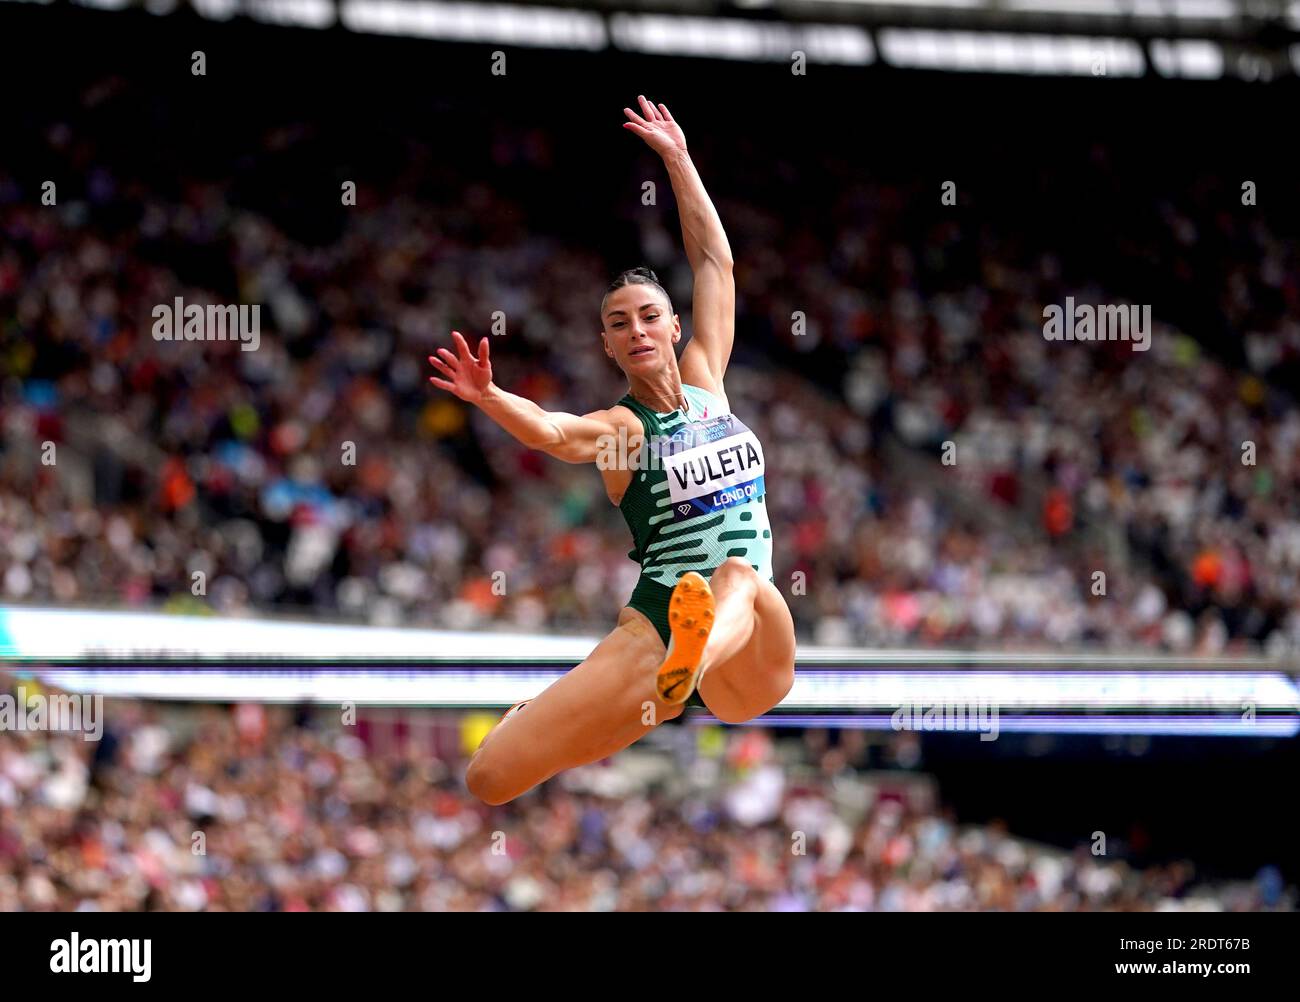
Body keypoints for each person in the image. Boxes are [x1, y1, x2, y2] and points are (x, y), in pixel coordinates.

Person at [428, 96, 796, 805]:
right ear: (607, 344)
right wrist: (488, 397)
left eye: (649, 316)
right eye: (619, 323)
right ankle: (667, 671)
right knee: (491, 777)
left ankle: (687, 669)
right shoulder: (623, 432)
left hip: (746, 643)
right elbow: (553, 433)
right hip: (654, 628)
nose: (637, 329)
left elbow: (714, 261)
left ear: (674, 326)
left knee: (738, 579)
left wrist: (679, 160)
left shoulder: (710, 384)